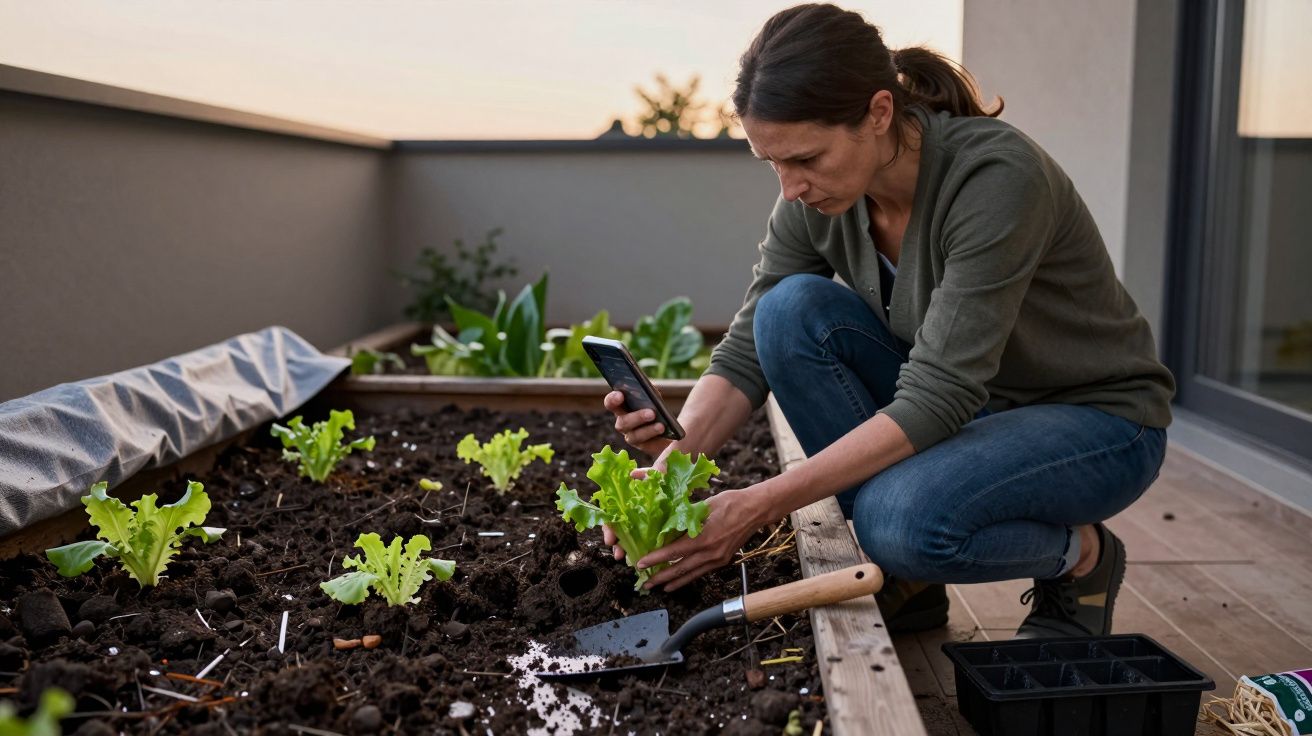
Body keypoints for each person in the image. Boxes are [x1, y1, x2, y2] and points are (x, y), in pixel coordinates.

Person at [602, 3, 1174, 640]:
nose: (791, 187)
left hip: (1096, 423)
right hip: (970, 411)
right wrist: (668, 476)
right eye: (773, 164)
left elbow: (938, 395)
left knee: (897, 523)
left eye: (806, 159)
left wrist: (756, 507)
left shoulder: (995, 179)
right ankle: (911, 584)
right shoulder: (819, 195)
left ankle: (1083, 558)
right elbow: (746, 350)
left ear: (878, 114)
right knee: (788, 311)